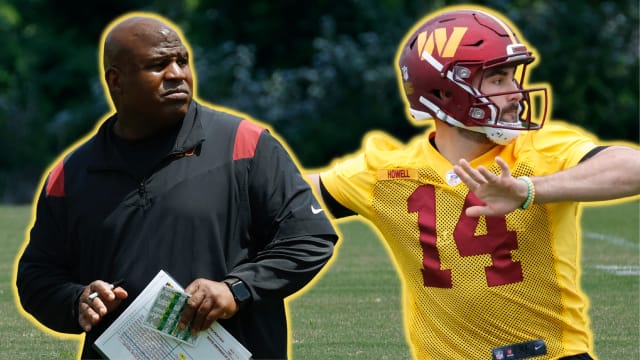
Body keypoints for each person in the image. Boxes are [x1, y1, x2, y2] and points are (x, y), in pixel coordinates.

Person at [307, 6, 640, 360]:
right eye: (498, 79)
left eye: (513, 77)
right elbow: (282, 194)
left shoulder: (539, 151)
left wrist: (530, 190)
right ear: (445, 92)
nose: (515, 92)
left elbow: (632, 167)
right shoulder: (385, 172)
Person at [16, 13, 338, 360]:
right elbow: (37, 278)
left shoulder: (246, 145)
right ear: (116, 80)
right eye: (158, 65)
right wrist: (77, 301)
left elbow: (309, 238)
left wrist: (237, 290)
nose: (177, 74)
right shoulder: (71, 174)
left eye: (182, 61)